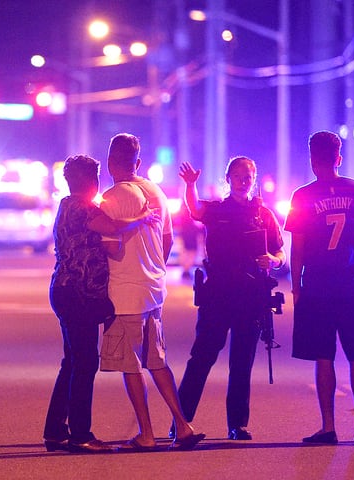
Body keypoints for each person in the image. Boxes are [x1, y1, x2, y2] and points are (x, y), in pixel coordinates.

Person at [99, 133, 205, 452]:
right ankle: (182, 426)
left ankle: (146, 433)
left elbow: (110, 247)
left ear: (109, 163)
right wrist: (153, 263)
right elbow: (167, 240)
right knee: (157, 361)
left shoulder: (112, 196)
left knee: (131, 365)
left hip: (124, 292)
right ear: (138, 163)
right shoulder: (156, 192)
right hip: (153, 289)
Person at [43, 154, 154, 454]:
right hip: (79, 295)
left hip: (63, 290)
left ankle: (55, 430)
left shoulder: (66, 204)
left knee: (72, 361)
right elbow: (114, 226)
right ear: (92, 180)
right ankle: (80, 435)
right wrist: (142, 218)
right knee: (84, 363)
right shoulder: (84, 208)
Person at [285, 130, 354, 445]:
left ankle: (328, 427)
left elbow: (297, 245)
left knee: (323, 357)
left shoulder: (302, 196)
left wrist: (296, 284)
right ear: (339, 158)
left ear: (313, 161)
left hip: (316, 286)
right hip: (352, 285)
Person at [175, 156, 285, 441]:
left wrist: (271, 261)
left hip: (250, 296)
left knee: (241, 362)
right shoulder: (218, 210)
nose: (243, 179)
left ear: (255, 178)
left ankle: (237, 424)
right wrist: (190, 185)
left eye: (249, 174)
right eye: (237, 174)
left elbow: (280, 253)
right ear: (228, 178)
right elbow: (195, 209)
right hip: (218, 293)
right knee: (202, 357)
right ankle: (180, 420)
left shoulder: (264, 214)